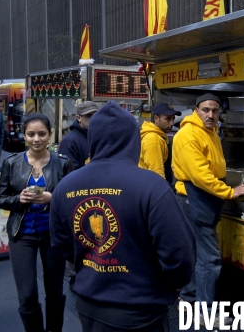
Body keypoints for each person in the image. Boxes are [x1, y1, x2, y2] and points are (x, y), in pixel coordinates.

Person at [50, 101, 196, 332]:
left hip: (88, 304)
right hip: (141, 310)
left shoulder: (65, 187)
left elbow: (62, 246)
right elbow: (179, 253)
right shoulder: (152, 186)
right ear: (133, 139)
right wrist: (175, 284)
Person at [172, 93, 244, 321]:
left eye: (215, 111)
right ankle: (205, 313)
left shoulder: (211, 132)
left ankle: (188, 300)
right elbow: (201, 176)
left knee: (196, 253)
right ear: (196, 110)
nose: (211, 115)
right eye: (206, 110)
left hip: (204, 199)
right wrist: (229, 192)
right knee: (210, 258)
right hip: (194, 198)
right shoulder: (188, 135)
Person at [0, 113, 74, 332]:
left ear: (50, 135)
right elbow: (1, 198)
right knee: (27, 293)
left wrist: (54, 199)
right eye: (31, 134)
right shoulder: (11, 163)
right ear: (24, 136)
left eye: (41, 134)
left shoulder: (63, 163)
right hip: (22, 235)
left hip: (53, 235)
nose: (36, 139)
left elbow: (75, 199)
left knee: (55, 290)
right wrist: (18, 200)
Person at [138, 103, 181, 183]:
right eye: (168, 119)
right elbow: (157, 174)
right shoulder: (154, 139)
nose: (172, 123)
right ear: (156, 118)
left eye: (173, 119)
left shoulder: (156, 136)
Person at [58, 101, 98, 169]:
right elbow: (68, 172)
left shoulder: (99, 137)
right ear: (79, 118)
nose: (93, 119)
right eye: (88, 116)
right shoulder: (69, 141)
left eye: (95, 115)